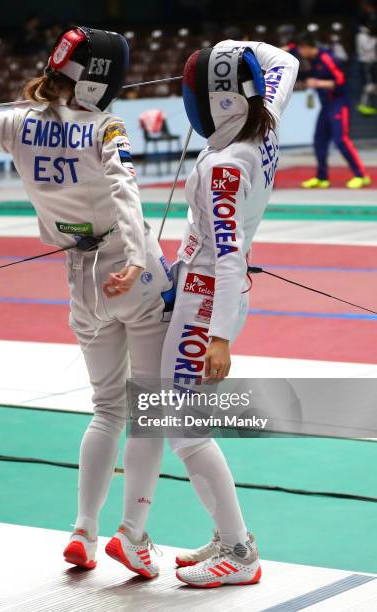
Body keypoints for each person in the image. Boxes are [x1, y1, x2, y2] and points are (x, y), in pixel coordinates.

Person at [0, 27, 173, 579]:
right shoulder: (106, 126)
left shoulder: (14, 123)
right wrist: (139, 263)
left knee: (106, 409)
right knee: (149, 410)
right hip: (130, 271)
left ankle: (83, 530)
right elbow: (125, 187)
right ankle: (133, 536)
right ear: (101, 81)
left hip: (81, 281)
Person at [154, 40, 298, 587]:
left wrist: (219, 338)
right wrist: (234, 51)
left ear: (221, 103)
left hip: (207, 298)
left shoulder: (226, 166)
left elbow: (231, 257)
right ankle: (226, 534)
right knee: (183, 425)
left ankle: (239, 553)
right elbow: (288, 64)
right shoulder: (264, 116)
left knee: (185, 430)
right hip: (201, 289)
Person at [296, 32, 371, 189]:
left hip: (339, 103)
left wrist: (317, 83)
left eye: (301, 49)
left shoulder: (326, 57)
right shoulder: (312, 60)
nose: (300, 53)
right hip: (326, 106)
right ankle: (322, 178)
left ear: (308, 47)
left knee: (341, 139)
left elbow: (340, 81)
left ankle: (361, 176)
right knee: (319, 141)